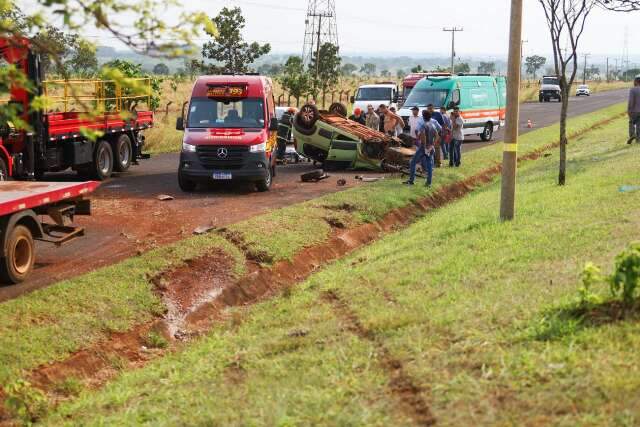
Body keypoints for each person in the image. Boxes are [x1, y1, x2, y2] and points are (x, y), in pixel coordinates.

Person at [404, 110, 436, 187]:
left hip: (423, 147)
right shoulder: (433, 125)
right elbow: (438, 136)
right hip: (431, 147)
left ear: (423, 117)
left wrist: (425, 147)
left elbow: (423, 137)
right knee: (429, 165)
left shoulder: (423, 125)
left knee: (413, 162)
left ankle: (411, 180)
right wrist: (432, 145)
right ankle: (429, 183)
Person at [628, 76, 640, 144]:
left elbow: (631, 101)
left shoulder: (633, 90)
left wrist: (629, 110)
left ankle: (632, 135)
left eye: (634, 81)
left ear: (636, 82)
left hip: (634, 111)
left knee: (631, 122)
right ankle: (638, 138)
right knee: (639, 124)